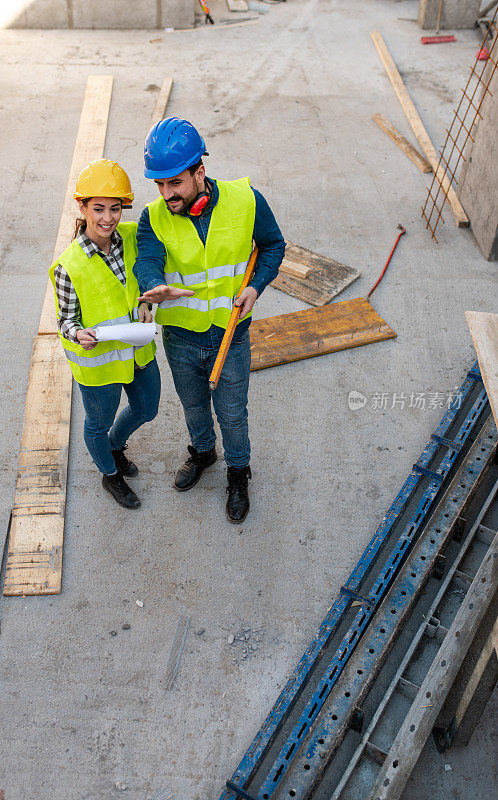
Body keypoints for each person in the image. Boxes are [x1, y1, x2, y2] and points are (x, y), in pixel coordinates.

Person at [134, 117, 285, 523]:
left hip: (230, 336)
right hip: (180, 339)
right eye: (159, 184)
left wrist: (256, 287)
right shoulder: (154, 216)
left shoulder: (246, 201)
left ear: (200, 172)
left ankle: (238, 472)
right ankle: (203, 452)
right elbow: (147, 258)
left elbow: (273, 246)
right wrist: (153, 285)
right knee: (194, 406)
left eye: (175, 183)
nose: (167, 194)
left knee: (233, 414)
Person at [49, 158, 164, 510]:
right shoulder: (69, 266)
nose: (108, 218)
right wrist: (77, 333)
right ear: (82, 208)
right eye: (98, 208)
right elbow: (66, 320)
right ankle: (109, 473)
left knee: (147, 408)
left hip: (137, 350)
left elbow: (143, 279)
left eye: (115, 209)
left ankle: (116, 445)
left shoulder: (129, 238)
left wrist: (147, 304)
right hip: (99, 365)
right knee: (97, 425)